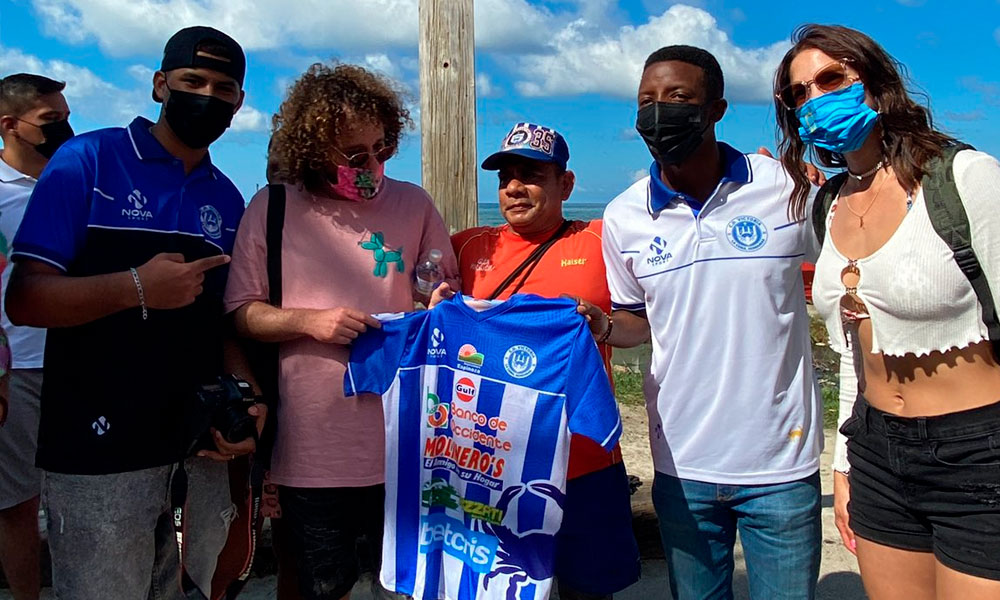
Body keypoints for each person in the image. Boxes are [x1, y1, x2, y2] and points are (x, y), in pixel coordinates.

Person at [4, 26, 265, 600]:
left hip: (197, 448)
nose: (207, 97)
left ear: (239, 103)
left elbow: (223, 322)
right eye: (192, 81)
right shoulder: (88, 160)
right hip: (98, 449)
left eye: (224, 88)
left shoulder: (226, 196)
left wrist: (246, 392)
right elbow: (25, 299)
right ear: (158, 85)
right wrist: (135, 287)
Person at [576, 45, 824, 600]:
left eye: (678, 97)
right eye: (647, 100)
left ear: (716, 109)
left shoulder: (787, 186)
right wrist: (604, 326)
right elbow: (639, 322)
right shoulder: (623, 216)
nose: (659, 111)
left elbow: (850, 257)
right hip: (682, 464)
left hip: (780, 464)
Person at [774, 24, 1000, 600]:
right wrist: (846, 463)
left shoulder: (965, 179)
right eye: (799, 92)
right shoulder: (827, 206)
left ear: (874, 84)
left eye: (832, 78)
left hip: (979, 452)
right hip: (876, 450)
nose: (816, 98)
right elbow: (856, 352)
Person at [224, 62, 458, 600]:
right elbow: (240, 313)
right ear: (315, 149)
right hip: (313, 452)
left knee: (404, 587)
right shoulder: (272, 207)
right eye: (356, 156)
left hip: (406, 445)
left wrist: (441, 301)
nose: (373, 165)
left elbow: (440, 293)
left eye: (383, 148)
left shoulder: (414, 203)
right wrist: (310, 322)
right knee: (321, 587)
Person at [430, 122, 640, 600]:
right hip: (488, 465)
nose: (514, 188)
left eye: (532, 174)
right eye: (505, 177)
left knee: (590, 590)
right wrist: (434, 304)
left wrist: (603, 327)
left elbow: (642, 325)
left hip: (585, 458)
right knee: (493, 589)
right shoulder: (465, 247)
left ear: (565, 184)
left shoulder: (603, 241)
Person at [0, 72, 71, 600]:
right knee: (17, 504)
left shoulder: (75, 183)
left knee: (82, 499)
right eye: (51, 121)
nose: (65, 128)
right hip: (16, 370)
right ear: (9, 126)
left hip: (79, 360)